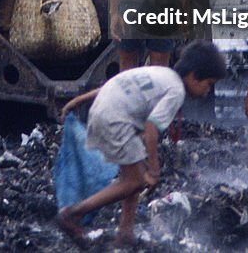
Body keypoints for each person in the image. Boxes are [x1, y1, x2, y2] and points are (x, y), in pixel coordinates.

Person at [56, 40, 227, 248]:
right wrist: (154, 170)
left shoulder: (160, 73)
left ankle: (125, 232)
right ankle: (73, 213)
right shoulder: (176, 92)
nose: (208, 91)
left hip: (105, 111)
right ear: (193, 75)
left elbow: (117, 83)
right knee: (135, 181)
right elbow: (151, 130)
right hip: (116, 120)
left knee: (134, 172)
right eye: (208, 84)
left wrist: (79, 100)